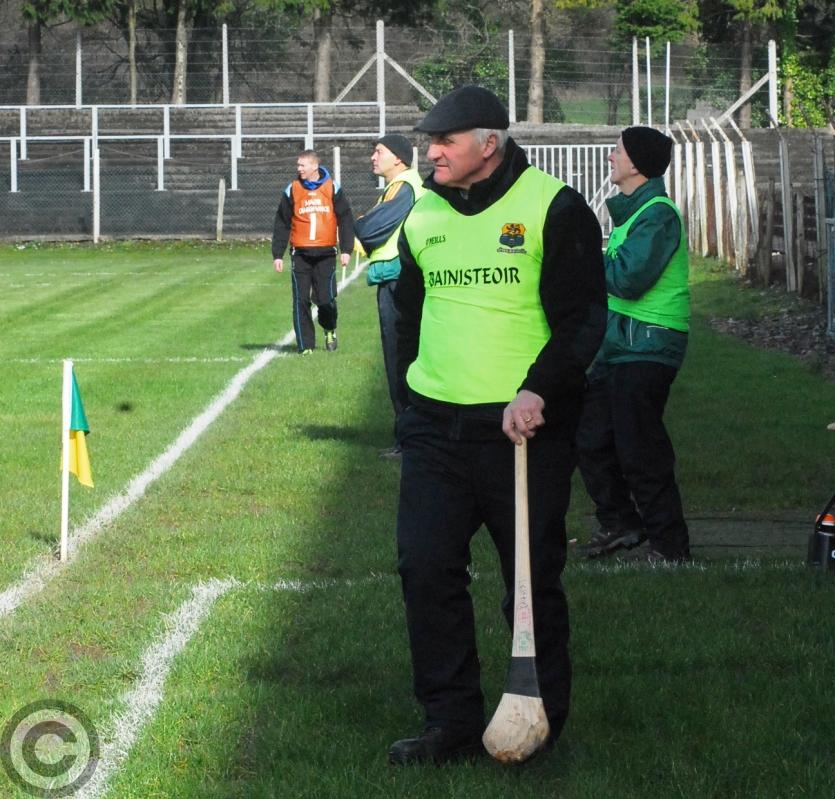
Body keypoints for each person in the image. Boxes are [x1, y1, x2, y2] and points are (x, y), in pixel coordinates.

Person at [388, 85, 607, 765]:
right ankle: (449, 722)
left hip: (523, 434)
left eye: (444, 141)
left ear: (489, 143)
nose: (431, 153)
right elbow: (408, 314)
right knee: (425, 569)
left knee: (530, 583)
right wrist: (410, 405)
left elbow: (582, 320)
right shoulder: (423, 214)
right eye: (429, 142)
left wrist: (537, 390)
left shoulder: (553, 207)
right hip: (435, 430)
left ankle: (536, 722)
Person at [575, 126, 690, 563]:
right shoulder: (636, 212)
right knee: (589, 437)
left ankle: (670, 546)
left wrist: (581, 258)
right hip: (622, 346)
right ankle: (621, 524)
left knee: (640, 447)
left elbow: (627, 278)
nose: (611, 156)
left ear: (637, 164)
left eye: (617, 151)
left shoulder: (658, 215)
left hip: (648, 346)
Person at [354, 134, 425, 459]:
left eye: (378, 151)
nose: (373, 157)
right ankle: (409, 438)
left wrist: (357, 225)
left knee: (400, 358)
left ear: (398, 157)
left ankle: (409, 440)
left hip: (399, 280)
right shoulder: (403, 185)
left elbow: (370, 229)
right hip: (397, 277)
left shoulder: (403, 186)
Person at [271, 149, 354, 354]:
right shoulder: (292, 189)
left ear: (314, 166)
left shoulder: (332, 187)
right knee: (301, 300)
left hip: (326, 254)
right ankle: (305, 346)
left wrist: (346, 249)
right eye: (298, 165)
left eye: (302, 165)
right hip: (300, 254)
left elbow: (345, 218)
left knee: (326, 300)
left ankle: (329, 328)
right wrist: (277, 254)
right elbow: (282, 222)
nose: (298, 168)